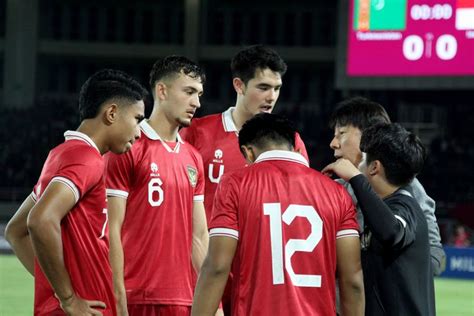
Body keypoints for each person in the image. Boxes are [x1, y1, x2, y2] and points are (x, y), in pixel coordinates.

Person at [5, 69, 147, 316]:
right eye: (137, 119)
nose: (138, 133)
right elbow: (39, 220)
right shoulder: (86, 159)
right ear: (112, 113)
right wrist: (68, 298)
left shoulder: (61, 154)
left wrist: (54, 289)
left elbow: (15, 231)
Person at [192, 113, 365, 316]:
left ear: (248, 152)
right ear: (295, 148)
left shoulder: (234, 184)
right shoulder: (337, 193)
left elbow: (217, 267)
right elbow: (352, 280)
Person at [105, 56, 209, 316]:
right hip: (136, 297)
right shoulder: (128, 148)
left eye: (199, 94)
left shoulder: (194, 158)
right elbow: (111, 231)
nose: (197, 102)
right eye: (189, 92)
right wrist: (118, 300)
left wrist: (214, 303)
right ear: (162, 91)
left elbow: (200, 236)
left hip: (185, 300)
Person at [180, 44, 308, 224]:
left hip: (262, 248)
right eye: (263, 88)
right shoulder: (196, 132)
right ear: (239, 85)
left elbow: (300, 201)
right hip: (210, 249)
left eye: (277, 88)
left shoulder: (291, 140)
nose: (271, 97)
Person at [323, 123, 436, 315]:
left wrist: (355, 178)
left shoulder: (406, 205)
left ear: (374, 167)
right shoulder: (380, 208)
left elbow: (391, 232)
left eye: (362, 160)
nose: (356, 165)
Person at [327, 96, 445, 275]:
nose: (333, 143)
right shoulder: (337, 188)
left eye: (341, 134)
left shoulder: (408, 189)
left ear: (371, 135)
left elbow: (435, 256)